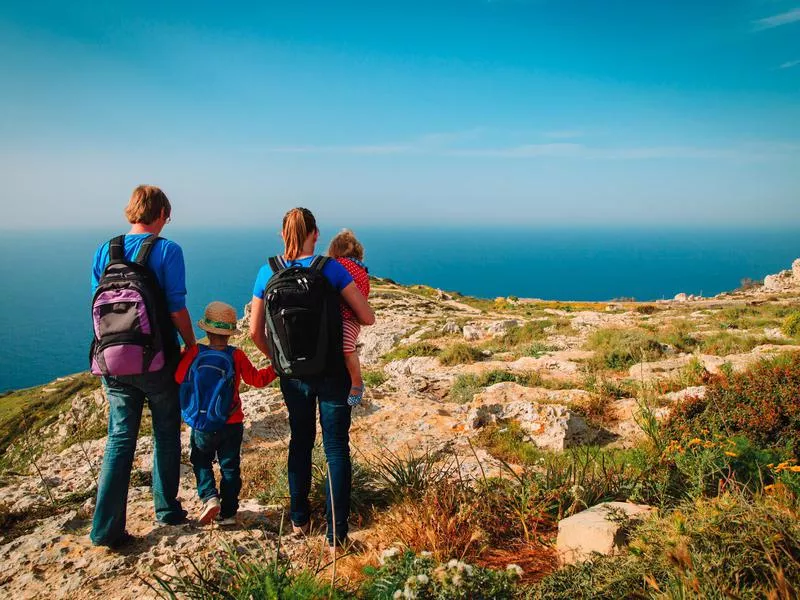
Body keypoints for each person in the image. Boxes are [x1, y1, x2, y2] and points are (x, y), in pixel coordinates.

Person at [249, 208, 375, 550]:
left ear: (282, 234)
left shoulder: (267, 271)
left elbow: (254, 332)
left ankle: (299, 520)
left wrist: (280, 362)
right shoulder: (330, 268)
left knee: (300, 442)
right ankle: (337, 536)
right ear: (316, 234)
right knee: (335, 448)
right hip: (333, 372)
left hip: (293, 378)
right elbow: (367, 316)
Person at [89, 185, 196, 548]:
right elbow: (175, 307)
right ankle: (166, 510)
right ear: (162, 214)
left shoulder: (106, 250)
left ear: (132, 211)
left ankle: (105, 529)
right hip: (157, 360)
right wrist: (191, 344)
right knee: (165, 432)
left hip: (112, 360)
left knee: (120, 439)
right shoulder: (167, 250)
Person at [175, 301, 276, 525]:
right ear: (230, 333)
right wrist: (276, 368)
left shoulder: (195, 352)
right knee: (230, 466)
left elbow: (178, 378)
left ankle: (210, 497)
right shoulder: (236, 355)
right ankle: (229, 513)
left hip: (202, 421)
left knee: (200, 460)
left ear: (207, 330)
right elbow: (256, 380)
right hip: (232, 421)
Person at [327, 229, 370, 406]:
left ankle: (357, 382)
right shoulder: (361, 268)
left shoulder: (340, 265)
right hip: (352, 318)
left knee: (346, 347)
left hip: (346, 319)